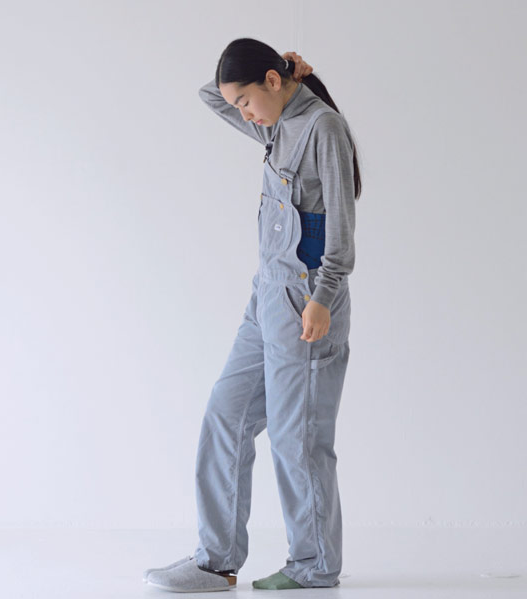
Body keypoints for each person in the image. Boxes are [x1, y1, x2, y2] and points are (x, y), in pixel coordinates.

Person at [143, 37, 361, 593]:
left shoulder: (322, 128)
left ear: (270, 83)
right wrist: (288, 72)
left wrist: (323, 298)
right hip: (265, 296)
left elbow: (341, 231)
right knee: (226, 414)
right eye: (238, 104)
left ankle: (315, 566)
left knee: (297, 439)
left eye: (246, 100)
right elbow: (210, 96)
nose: (242, 113)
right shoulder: (274, 123)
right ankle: (215, 562)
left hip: (306, 300)